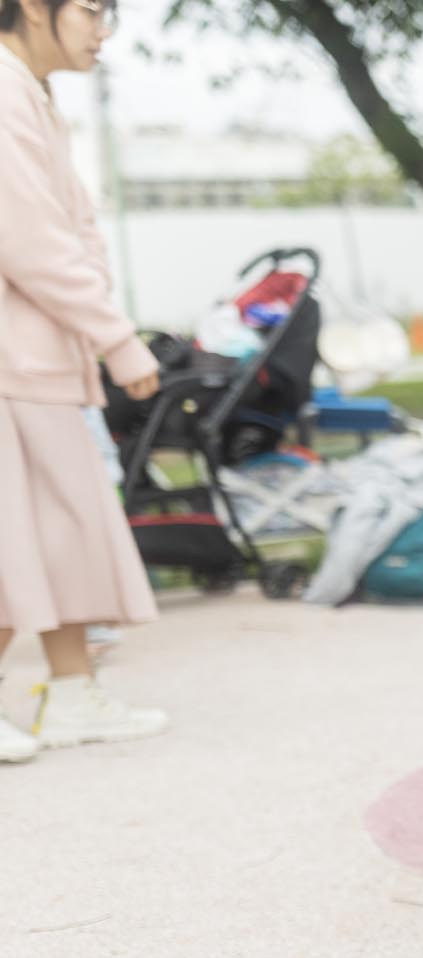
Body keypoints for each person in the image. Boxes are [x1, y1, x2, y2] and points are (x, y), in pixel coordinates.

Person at [0, 0, 166, 762]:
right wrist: (119, 341)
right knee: (24, 535)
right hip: (15, 360)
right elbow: (30, 244)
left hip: (34, 357)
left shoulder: (29, 93)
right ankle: (66, 692)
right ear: (36, 8)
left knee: (56, 527)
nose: (104, 29)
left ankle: (69, 693)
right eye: (95, 10)